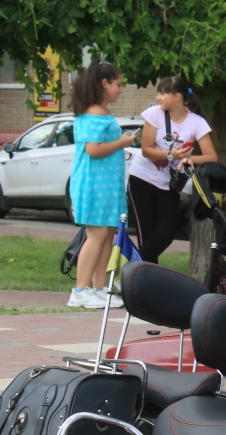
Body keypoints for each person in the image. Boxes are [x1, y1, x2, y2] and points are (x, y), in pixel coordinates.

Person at [67, 60, 138, 309]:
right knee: (97, 235)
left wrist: (118, 150)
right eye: (118, 84)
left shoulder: (100, 112)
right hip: (93, 185)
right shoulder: (95, 113)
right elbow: (93, 150)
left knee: (106, 235)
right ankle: (80, 291)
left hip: (105, 185)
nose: (120, 90)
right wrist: (122, 143)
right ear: (104, 83)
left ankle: (99, 289)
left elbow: (100, 148)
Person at [127, 76, 217, 263]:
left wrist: (189, 158)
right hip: (142, 179)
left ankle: (132, 267)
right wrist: (171, 155)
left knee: (166, 234)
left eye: (163, 93)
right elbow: (146, 150)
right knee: (146, 235)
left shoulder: (196, 122)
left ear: (177, 96)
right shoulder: (154, 114)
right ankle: (143, 277)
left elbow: (211, 156)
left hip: (170, 185)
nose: (158, 98)